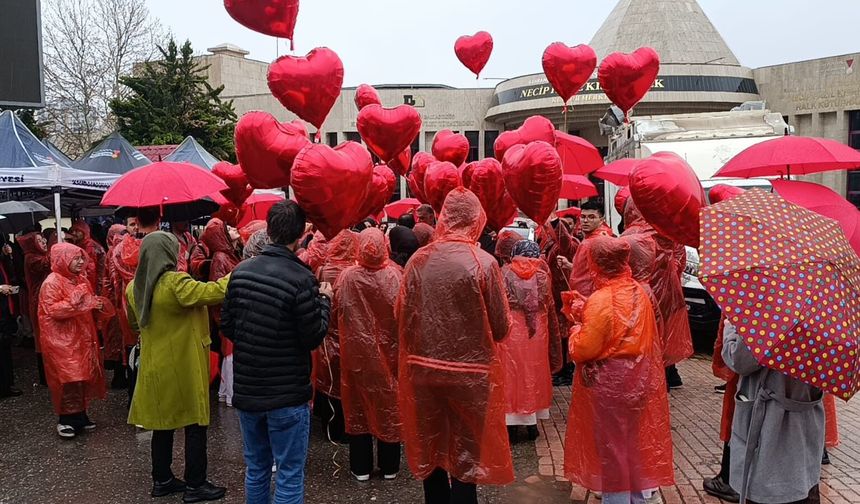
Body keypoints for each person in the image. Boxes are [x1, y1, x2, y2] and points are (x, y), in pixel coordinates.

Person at [396, 188, 513, 504]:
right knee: (466, 451)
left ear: (444, 218)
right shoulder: (484, 263)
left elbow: (403, 316)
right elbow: (501, 328)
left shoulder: (418, 260)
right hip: (470, 375)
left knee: (430, 446)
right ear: (476, 219)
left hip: (422, 369)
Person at [220, 201, 332, 504]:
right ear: (299, 235)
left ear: (269, 230)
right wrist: (324, 301)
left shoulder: (240, 273)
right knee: (289, 472)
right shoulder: (302, 278)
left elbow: (227, 325)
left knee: (256, 468)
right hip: (287, 394)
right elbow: (312, 336)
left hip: (249, 389)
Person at [562, 237, 674, 503]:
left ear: (596, 263)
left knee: (612, 445)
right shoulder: (639, 292)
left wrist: (577, 328)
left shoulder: (601, 300)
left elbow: (583, 349)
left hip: (611, 383)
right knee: (633, 442)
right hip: (641, 379)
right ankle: (637, 497)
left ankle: (618, 500)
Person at [125, 231, 231, 502]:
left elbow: (135, 324)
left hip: (154, 366)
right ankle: (196, 484)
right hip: (183, 365)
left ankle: (162, 480)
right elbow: (215, 291)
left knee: (163, 425)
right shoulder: (175, 283)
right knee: (195, 423)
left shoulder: (133, 287)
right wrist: (239, 271)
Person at [721, 321, 824, 504]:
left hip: (769, 423)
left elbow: (740, 360)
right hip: (805, 423)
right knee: (801, 485)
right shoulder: (826, 322)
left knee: (765, 485)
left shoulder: (770, 314)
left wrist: (730, 328)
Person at [335, 228, 404, 481]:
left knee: (357, 407)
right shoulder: (396, 275)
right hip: (391, 354)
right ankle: (390, 466)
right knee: (389, 406)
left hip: (356, 355)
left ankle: (361, 467)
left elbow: (336, 312)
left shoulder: (347, 277)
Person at [39, 243, 115, 438]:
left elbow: (86, 304)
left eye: (82, 258)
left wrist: (96, 307)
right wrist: (81, 302)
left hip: (82, 337)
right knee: (67, 379)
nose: (81, 261)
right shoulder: (52, 282)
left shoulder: (80, 279)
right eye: (76, 258)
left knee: (83, 377)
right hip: (61, 341)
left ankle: (80, 415)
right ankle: (66, 419)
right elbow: (54, 310)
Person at [621, 198, 692, 387]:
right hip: (669, 290)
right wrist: (671, 275)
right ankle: (669, 374)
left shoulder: (631, 235)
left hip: (641, 291)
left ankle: (657, 377)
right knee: (665, 331)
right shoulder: (668, 230)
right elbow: (680, 258)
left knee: (646, 334)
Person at [499, 240, 558, 442]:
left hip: (512, 328)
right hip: (537, 330)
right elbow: (547, 303)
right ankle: (532, 424)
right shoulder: (543, 274)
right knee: (534, 371)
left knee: (511, 373)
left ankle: (511, 426)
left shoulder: (505, 272)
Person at [313, 229, 358, 442]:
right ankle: (349, 428)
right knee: (349, 384)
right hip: (352, 336)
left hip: (327, 333)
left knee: (329, 381)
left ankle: (330, 426)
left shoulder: (322, 270)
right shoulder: (356, 272)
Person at [201, 218, 241, 407]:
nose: (234, 228)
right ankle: (231, 393)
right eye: (228, 227)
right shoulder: (221, 258)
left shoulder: (229, 255)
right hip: (230, 314)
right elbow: (218, 290)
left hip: (232, 313)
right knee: (230, 355)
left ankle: (229, 392)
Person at [17, 231, 51, 385]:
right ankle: (45, 376)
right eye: (39, 240)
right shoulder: (32, 258)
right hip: (39, 302)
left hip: (42, 300)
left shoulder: (35, 256)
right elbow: (48, 262)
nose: (43, 242)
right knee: (42, 338)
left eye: (42, 239)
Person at [101, 224, 128, 387]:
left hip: (115, 302)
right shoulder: (114, 253)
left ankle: (120, 375)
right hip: (116, 304)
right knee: (119, 339)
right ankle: (119, 376)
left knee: (119, 339)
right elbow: (114, 281)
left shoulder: (114, 251)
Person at [0, 251, 21, 399]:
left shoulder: (3, 259)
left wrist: (9, 257)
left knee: (4, 349)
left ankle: (6, 384)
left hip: (4, 310)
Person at [69, 220, 106, 294]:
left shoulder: (89, 246)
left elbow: (90, 270)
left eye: (77, 231)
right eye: (72, 231)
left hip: (93, 282)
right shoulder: (82, 244)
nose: (74, 233)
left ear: (84, 232)